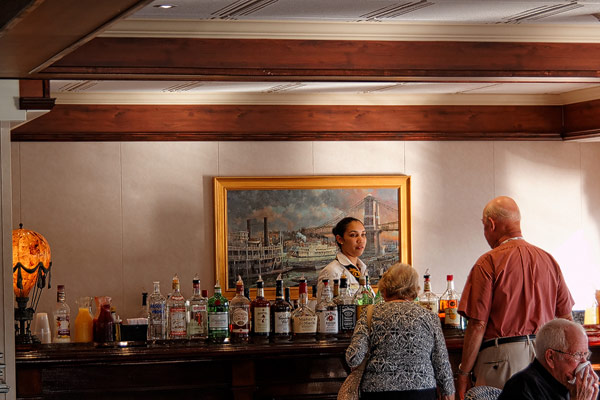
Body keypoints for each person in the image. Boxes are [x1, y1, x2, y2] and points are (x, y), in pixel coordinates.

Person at [456, 196, 575, 399]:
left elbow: (477, 325)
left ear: (491, 224)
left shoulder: (487, 263)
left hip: (501, 360)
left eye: (484, 226)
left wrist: (464, 373)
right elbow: (567, 320)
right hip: (545, 358)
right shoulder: (549, 260)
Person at [345, 263, 455, 400]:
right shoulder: (429, 317)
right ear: (415, 289)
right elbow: (442, 363)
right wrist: (448, 393)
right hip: (422, 391)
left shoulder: (369, 314)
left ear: (384, 289)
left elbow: (354, 357)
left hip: (378, 391)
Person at [498, 318, 599, 400]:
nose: (584, 363)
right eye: (578, 355)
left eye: (585, 355)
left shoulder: (571, 386)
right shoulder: (521, 388)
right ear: (550, 357)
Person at [316, 217, 368, 303]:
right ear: (340, 239)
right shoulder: (331, 271)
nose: (361, 240)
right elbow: (324, 308)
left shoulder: (362, 269)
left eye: (363, 234)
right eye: (353, 235)